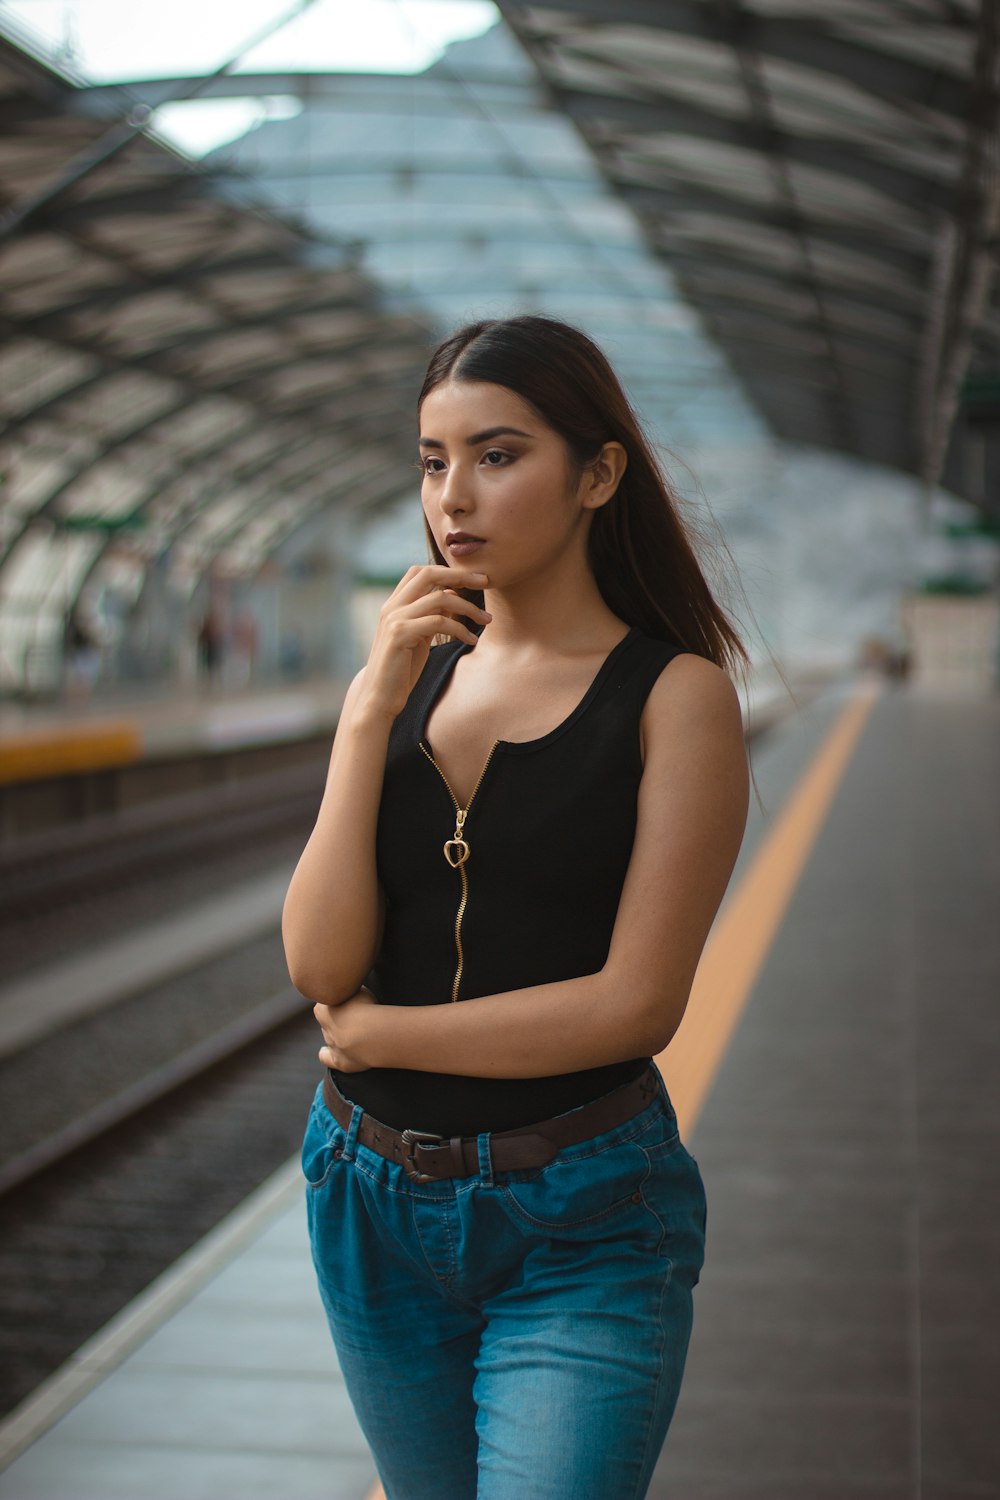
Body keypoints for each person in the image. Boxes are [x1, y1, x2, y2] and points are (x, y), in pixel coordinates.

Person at [283, 315, 750, 1500]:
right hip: (367, 1200)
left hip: (580, 1218)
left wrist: (385, 1035)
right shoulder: (406, 679)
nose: (454, 497)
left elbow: (634, 1006)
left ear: (597, 474)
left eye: (498, 456)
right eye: (433, 462)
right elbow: (316, 958)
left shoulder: (673, 699)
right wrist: (362, 713)